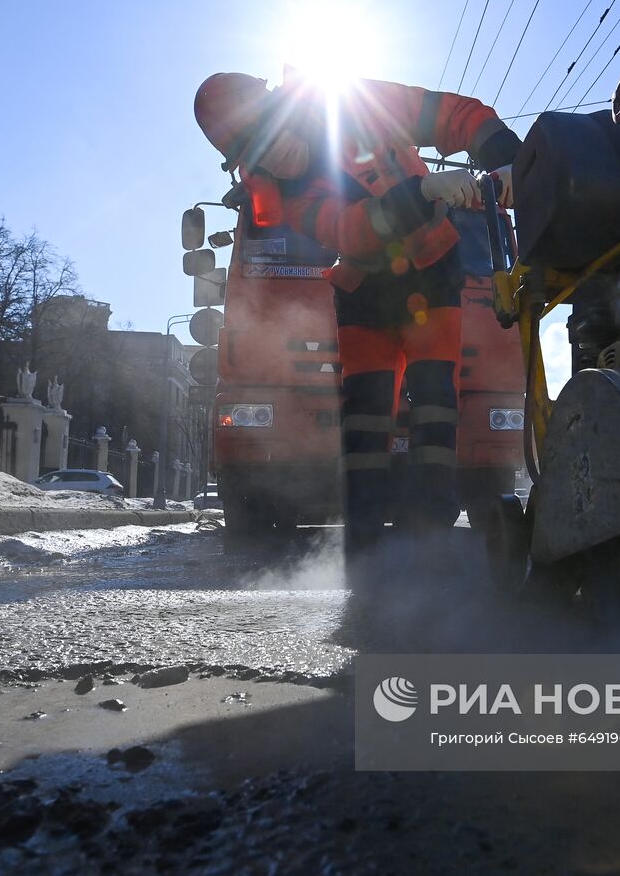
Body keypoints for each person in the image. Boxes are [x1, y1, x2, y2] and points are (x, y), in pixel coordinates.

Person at [194, 70, 520, 552]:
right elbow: (352, 231)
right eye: (252, 155)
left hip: (433, 277)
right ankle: (365, 550)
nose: (270, 157)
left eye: (265, 135)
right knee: (365, 420)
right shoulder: (286, 199)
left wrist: (508, 160)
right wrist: (426, 193)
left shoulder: (361, 104)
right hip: (364, 288)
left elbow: (452, 114)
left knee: (435, 405)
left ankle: (427, 542)